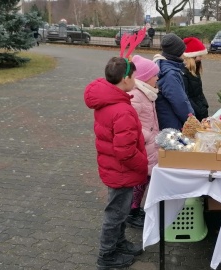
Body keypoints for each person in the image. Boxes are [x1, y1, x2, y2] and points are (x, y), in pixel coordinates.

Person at [84, 57, 149, 269]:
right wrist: (143, 165)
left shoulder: (110, 102)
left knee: (119, 211)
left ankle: (120, 244)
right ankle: (107, 255)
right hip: (121, 170)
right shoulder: (122, 110)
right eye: (134, 76)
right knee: (115, 214)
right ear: (125, 79)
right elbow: (126, 152)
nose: (136, 80)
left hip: (114, 168)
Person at [125, 55, 160, 229]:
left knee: (145, 178)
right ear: (146, 77)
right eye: (155, 75)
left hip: (150, 144)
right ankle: (131, 211)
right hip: (143, 145)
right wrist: (146, 136)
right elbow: (131, 123)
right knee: (140, 178)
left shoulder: (148, 93)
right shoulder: (136, 95)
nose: (158, 78)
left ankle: (135, 208)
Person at [153, 33, 194, 130]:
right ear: (177, 52)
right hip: (172, 124)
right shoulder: (170, 74)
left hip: (169, 121)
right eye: (182, 51)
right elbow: (180, 102)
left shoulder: (165, 66)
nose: (184, 54)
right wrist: (192, 121)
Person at [181, 37, 209, 121]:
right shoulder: (184, 73)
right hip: (195, 113)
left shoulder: (195, 70)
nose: (201, 58)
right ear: (192, 56)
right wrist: (199, 110)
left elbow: (199, 92)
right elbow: (186, 97)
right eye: (199, 56)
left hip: (201, 109)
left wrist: (204, 105)